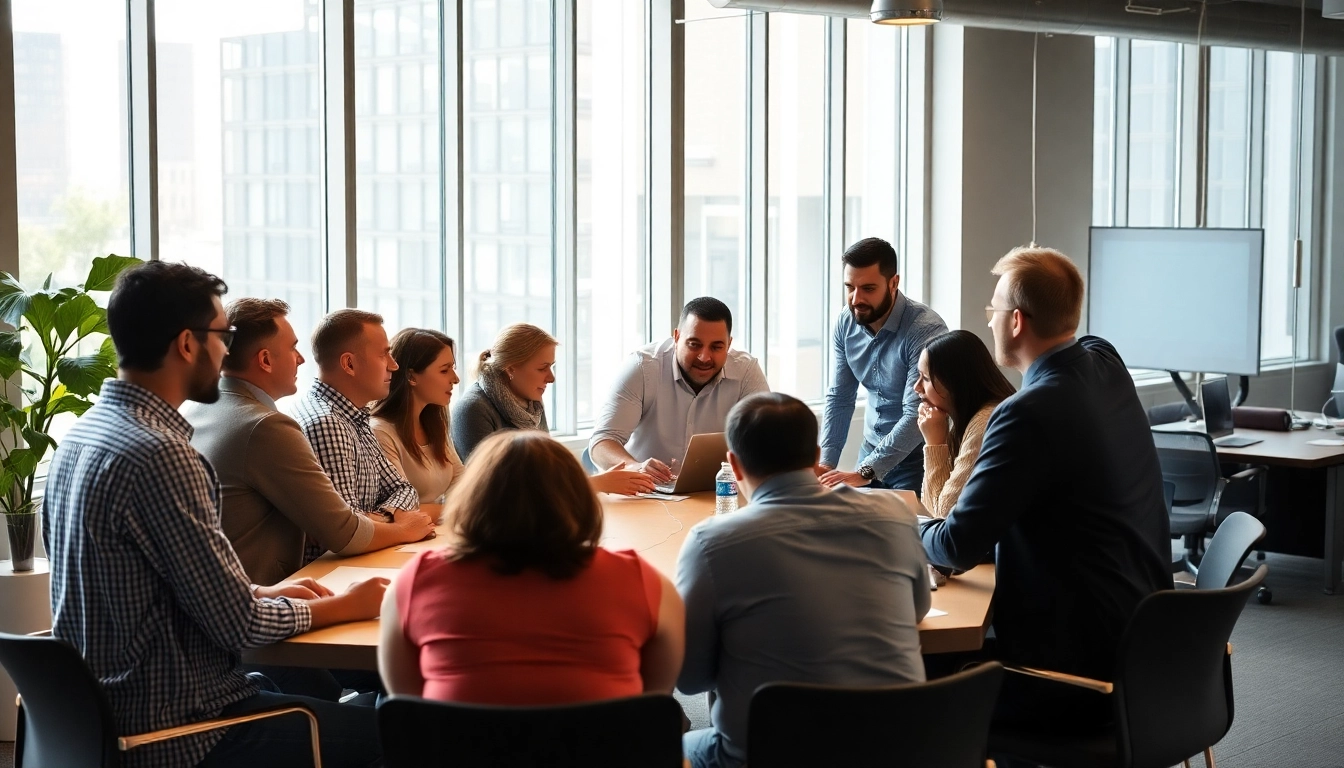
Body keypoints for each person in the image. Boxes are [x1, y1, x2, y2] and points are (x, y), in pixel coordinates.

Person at [43, 261, 387, 768]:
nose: (228, 351)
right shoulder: (160, 454)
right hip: (185, 728)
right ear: (187, 343)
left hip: (104, 718)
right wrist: (342, 607)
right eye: (222, 335)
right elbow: (239, 627)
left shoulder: (83, 434)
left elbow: (144, 586)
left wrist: (260, 591)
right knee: (409, 733)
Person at [920, 246, 1172, 735]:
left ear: (1015, 322)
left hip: (1075, 674)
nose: (988, 320)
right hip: (1152, 649)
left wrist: (904, 527)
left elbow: (956, 546)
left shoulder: (1026, 412)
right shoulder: (1105, 360)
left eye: (992, 310)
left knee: (920, 679)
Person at [678, 392, 931, 768]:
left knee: (664, 744)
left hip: (770, 753)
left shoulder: (712, 542)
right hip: (901, 748)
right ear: (816, 457)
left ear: (735, 464)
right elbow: (916, 609)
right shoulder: (894, 512)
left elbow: (691, 678)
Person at [378, 430, 685, 704]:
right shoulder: (640, 581)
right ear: (579, 499)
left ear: (472, 499)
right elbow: (655, 698)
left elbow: (408, 705)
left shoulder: (415, 582)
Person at [184, 299, 435, 587]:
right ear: (265, 360)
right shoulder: (266, 426)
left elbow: (375, 504)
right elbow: (343, 532)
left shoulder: (199, 409)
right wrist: (404, 528)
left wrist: (374, 519)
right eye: (292, 348)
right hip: (262, 597)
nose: (302, 359)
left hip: (222, 593)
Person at [452, 323, 657, 496]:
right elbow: (494, 491)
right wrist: (595, 484)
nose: (551, 378)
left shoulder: (531, 404)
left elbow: (544, 474)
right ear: (511, 368)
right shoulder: (473, 409)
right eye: (542, 368)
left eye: (552, 367)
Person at [589, 297, 770, 483]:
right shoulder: (643, 367)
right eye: (694, 344)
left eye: (716, 347)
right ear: (676, 337)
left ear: (729, 345)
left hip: (715, 493)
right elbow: (601, 443)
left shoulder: (746, 371)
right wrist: (635, 468)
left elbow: (768, 439)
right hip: (645, 493)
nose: (704, 357)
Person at [818, 237, 948, 492]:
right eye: (849, 287)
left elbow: (916, 413)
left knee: (908, 530)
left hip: (916, 458)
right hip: (869, 450)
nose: (856, 299)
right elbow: (840, 397)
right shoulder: (846, 322)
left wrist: (867, 471)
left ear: (893, 283)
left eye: (868, 288)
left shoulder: (925, 331)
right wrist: (826, 465)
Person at [289, 309, 423, 550]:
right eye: (384, 354)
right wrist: (402, 527)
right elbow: (348, 530)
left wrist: (382, 516)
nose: (394, 365)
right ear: (349, 364)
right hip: (330, 573)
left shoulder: (355, 414)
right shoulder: (327, 423)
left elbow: (405, 489)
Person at [915, 329, 1017, 519]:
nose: (917, 387)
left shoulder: (985, 422)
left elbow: (942, 515)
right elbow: (931, 510)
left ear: (955, 382)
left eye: (926, 378)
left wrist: (935, 443)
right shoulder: (966, 418)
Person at [372, 328, 466, 503]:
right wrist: (449, 510)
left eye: (452, 368)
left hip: (440, 528)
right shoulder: (380, 432)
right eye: (444, 370)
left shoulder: (435, 424)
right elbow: (401, 508)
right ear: (411, 376)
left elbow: (462, 481)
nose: (455, 379)